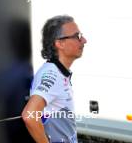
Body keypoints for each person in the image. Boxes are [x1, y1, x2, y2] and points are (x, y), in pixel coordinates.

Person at [22, 15, 87, 143]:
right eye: (77, 36)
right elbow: (29, 115)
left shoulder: (58, 71)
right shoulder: (52, 73)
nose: (84, 40)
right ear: (59, 43)